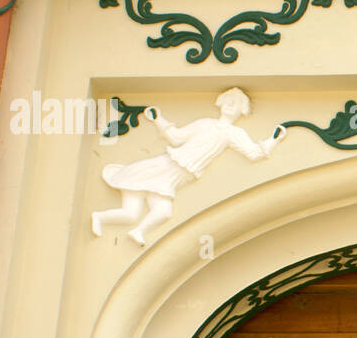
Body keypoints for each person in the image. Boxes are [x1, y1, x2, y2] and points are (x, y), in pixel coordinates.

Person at [92, 87, 281, 246]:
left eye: (236, 103)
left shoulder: (234, 133)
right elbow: (176, 137)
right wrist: (159, 119)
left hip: (175, 177)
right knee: (130, 214)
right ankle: (103, 218)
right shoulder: (205, 123)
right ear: (221, 103)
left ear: (243, 110)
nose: (231, 106)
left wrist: (274, 140)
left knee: (163, 212)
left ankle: (135, 230)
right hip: (165, 166)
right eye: (228, 100)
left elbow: (253, 152)